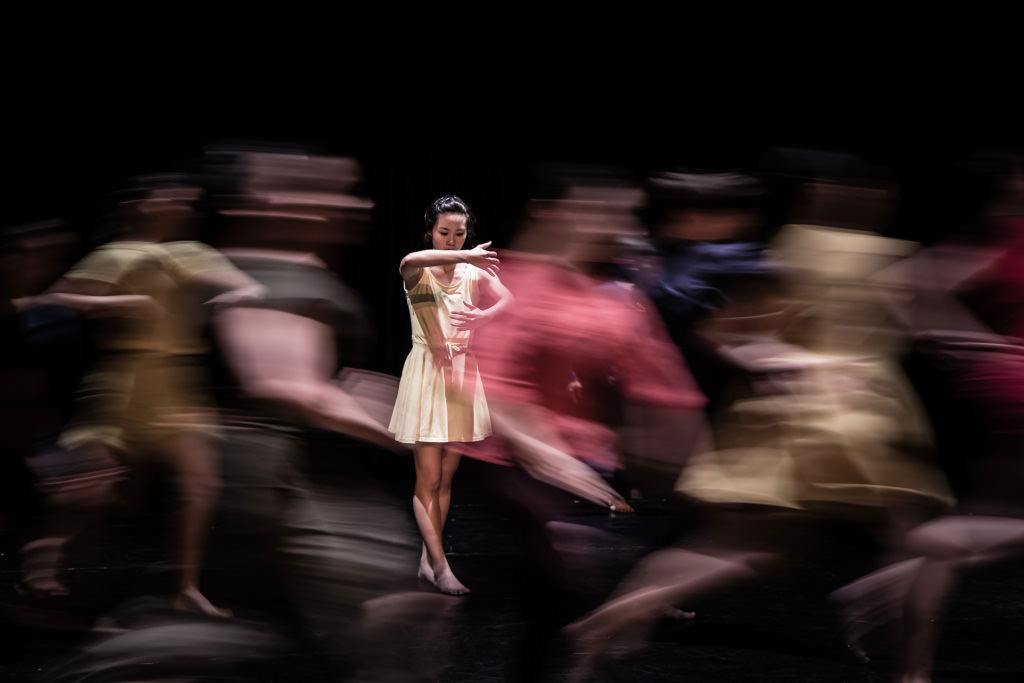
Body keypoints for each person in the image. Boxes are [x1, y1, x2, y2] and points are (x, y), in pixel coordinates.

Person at [388, 195, 512, 595]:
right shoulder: (417, 271)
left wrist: (485, 316)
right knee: (427, 477)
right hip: (428, 373)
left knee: (445, 478)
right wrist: (467, 259)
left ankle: (428, 559)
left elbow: (510, 301)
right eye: (445, 233)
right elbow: (409, 260)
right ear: (431, 231)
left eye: (459, 234)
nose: (453, 240)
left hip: (462, 375)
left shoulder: (472, 271)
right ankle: (442, 568)